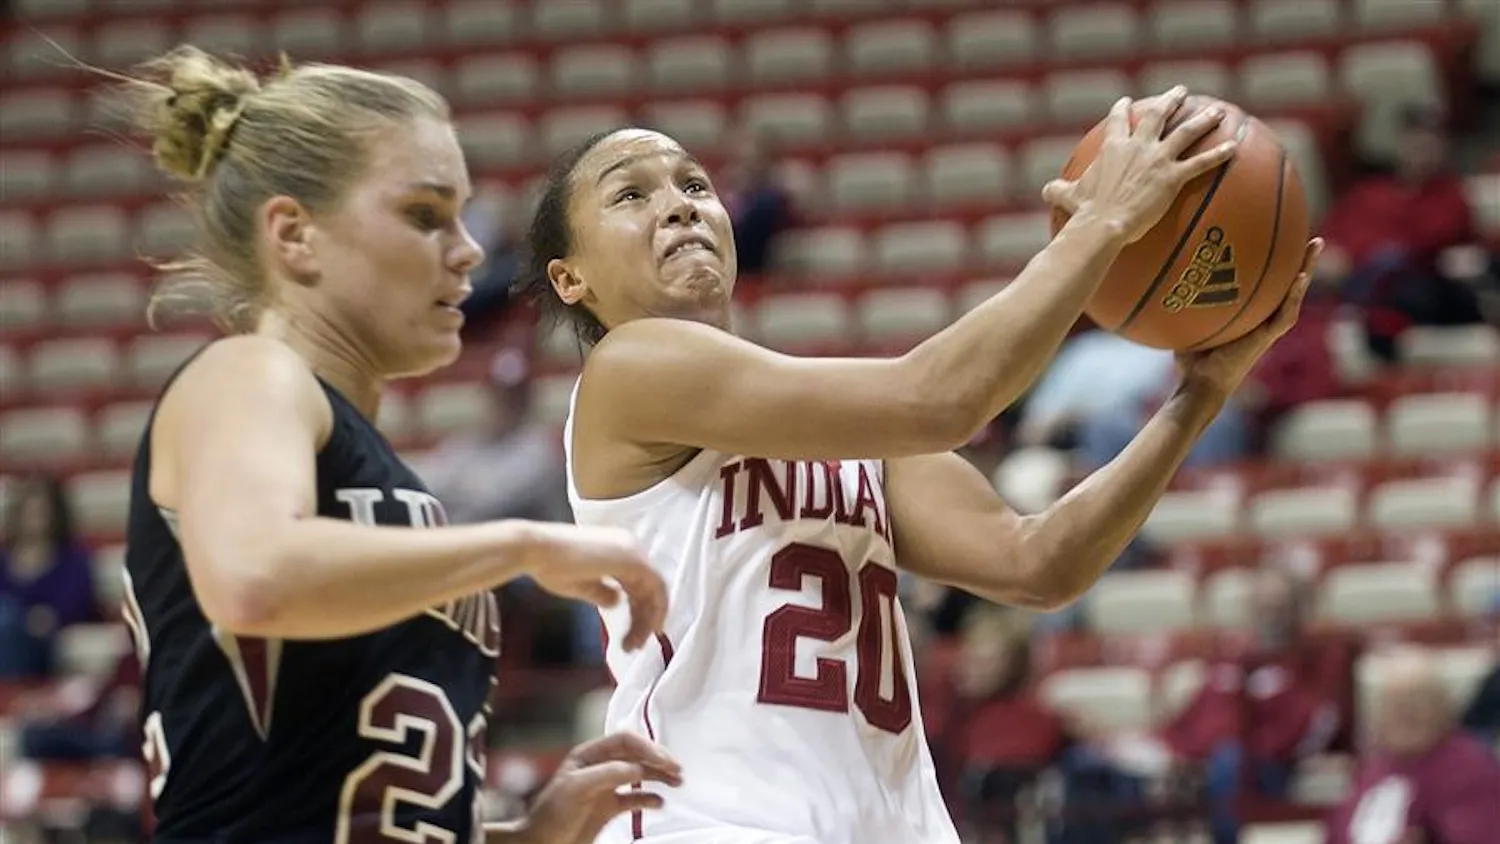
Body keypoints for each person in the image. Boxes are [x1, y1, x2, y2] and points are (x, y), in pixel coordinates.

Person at [516, 85, 1323, 844]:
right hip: (716, 819)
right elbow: (942, 399)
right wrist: (1101, 225)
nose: (679, 204)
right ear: (570, 277)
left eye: (693, 183)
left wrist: (1196, 399)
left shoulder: (842, 426)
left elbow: (1037, 563)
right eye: (631, 194)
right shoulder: (628, 371)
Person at [112, 47, 680, 844]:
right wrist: (519, 545)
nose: (470, 249)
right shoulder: (249, 374)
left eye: (462, 214)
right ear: (294, 234)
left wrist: (530, 833)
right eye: (424, 215)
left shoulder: (377, 469)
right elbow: (255, 576)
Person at [1325, 647, 1500, 844]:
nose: (1407, 714)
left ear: (1442, 706)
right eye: (1396, 703)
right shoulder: (1374, 768)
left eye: (1417, 703)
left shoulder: (1470, 768)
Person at [0, 474, 99, 679]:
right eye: (29, 511)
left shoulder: (73, 561)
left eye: (42, 511)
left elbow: (78, 604)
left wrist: (45, 619)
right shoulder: (3, 560)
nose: (35, 518)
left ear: (56, 514)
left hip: (47, 639)